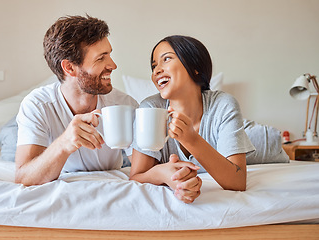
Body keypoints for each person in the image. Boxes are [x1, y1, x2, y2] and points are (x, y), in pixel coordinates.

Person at [129, 35, 255, 203]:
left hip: (256, 143)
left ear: (195, 67)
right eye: (154, 65)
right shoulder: (149, 109)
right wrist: (164, 174)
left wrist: (190, 139)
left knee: (266, 139)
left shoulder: (223, 104)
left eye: (166, 59)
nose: (156, 70)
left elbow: (237, 182)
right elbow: (136, 176)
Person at [15, 15, 138, 186]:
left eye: (109, 55)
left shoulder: (124, 105)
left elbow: (145, 170)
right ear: (70, 68)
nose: (113, 65)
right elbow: (23, 178)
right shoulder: (37, 105)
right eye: (101, 58)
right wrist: (64, 143)